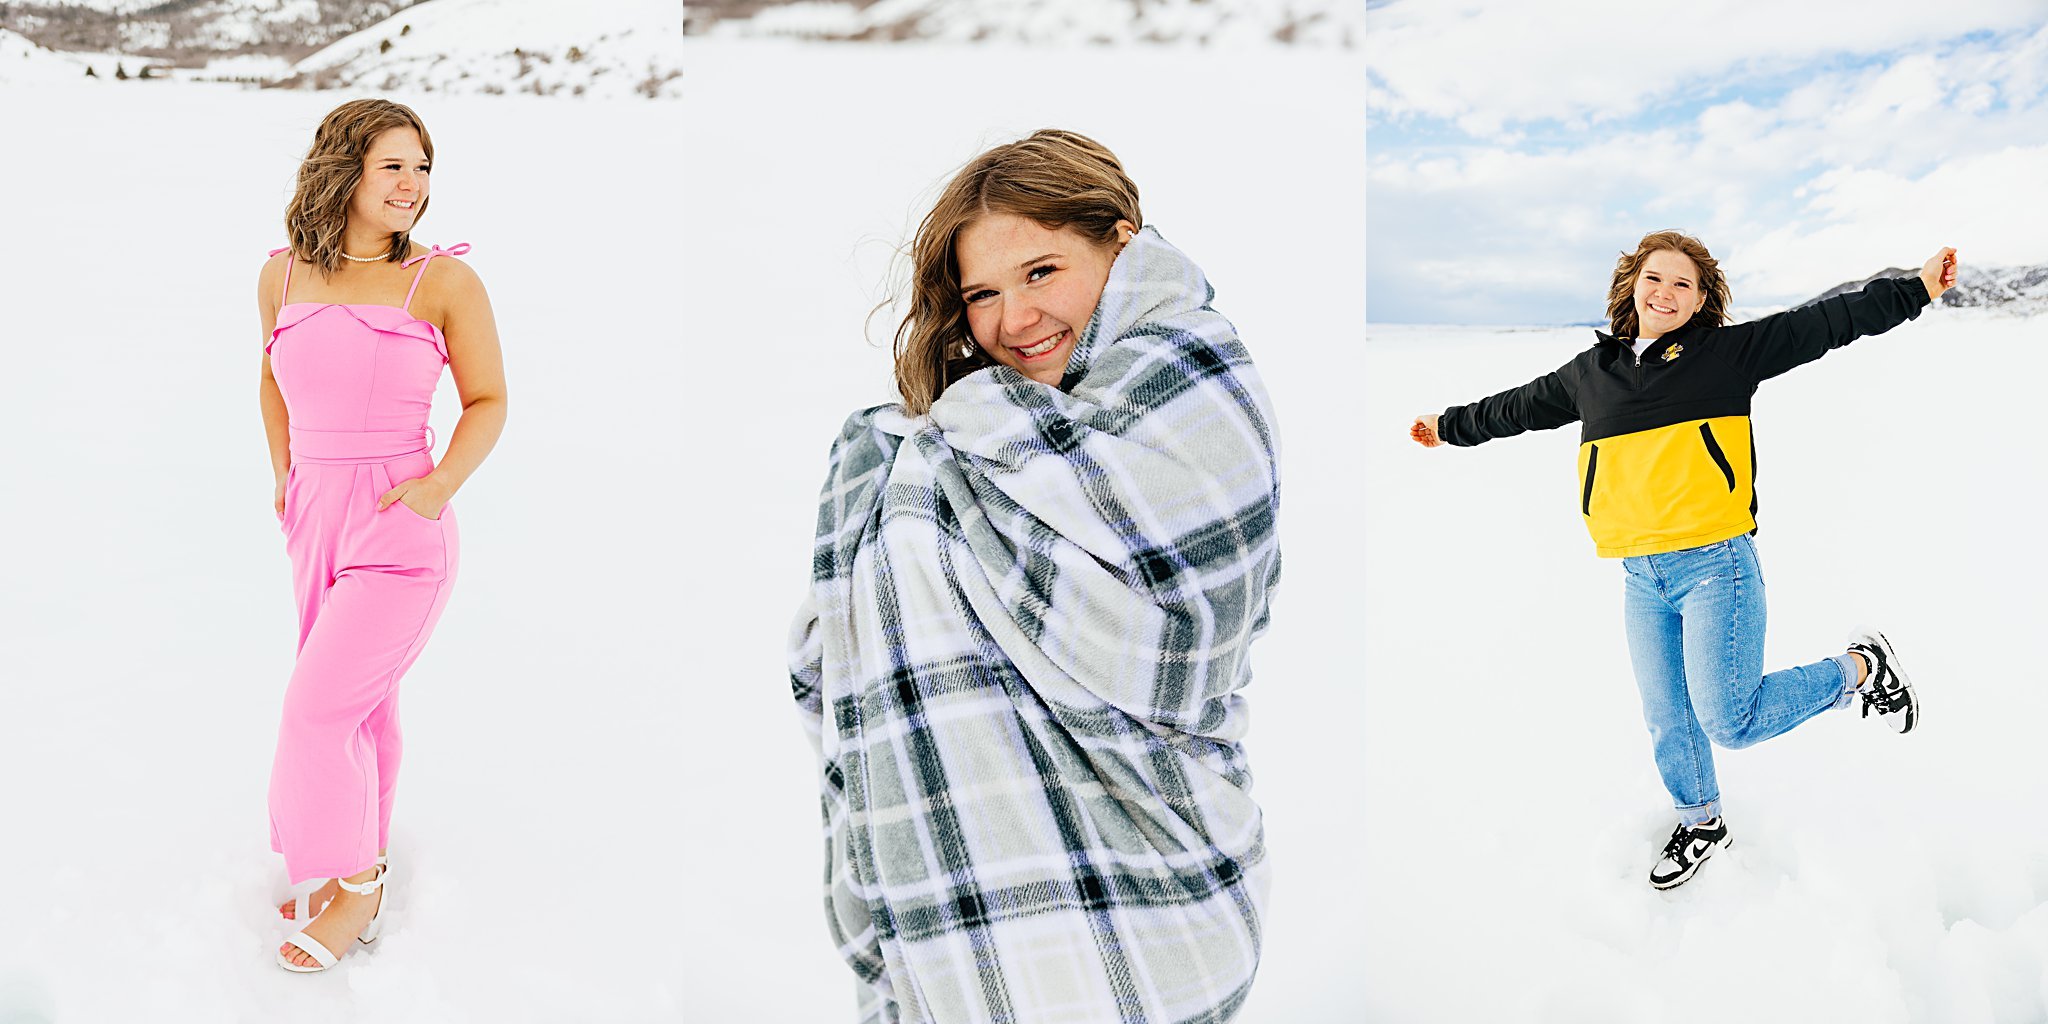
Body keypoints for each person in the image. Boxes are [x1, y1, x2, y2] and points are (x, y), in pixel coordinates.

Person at [789, 129, 1281, 1022]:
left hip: (1159, 873)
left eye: (1042, 272)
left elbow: (1179, 634)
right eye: (982, 293)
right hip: (974, 894)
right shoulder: (950, 446)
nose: (1014, 320)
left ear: (1122, 243)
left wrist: (962, 430)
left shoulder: (1195, 378)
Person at [1411, 230, 1956, 889]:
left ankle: (1860, 670)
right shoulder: (1592, 374)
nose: (1665, 292)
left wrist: (1917, 289)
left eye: (1682, 284)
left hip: (1714, 566)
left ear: (1701, 300)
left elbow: (1824, 323)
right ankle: (1701, 821)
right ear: (1631, 287)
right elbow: (1518, 406)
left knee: (1731, 718)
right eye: (1654, 279)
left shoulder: (1727, 357)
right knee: (1669, 716)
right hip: (1641, 575)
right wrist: (1448, 426)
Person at [257, 98, 506, 970]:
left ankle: (356, 886)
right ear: (344, 171)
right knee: (360, 707)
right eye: (394, 165)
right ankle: (347, 864)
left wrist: (436, 489)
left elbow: (488, 401)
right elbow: (274, 381)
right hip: (314, 514)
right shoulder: (281, 274)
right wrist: (286, 474)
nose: (413, 185)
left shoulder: (440, 281)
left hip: (401, 523)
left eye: (423, 167)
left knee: (316, 708)